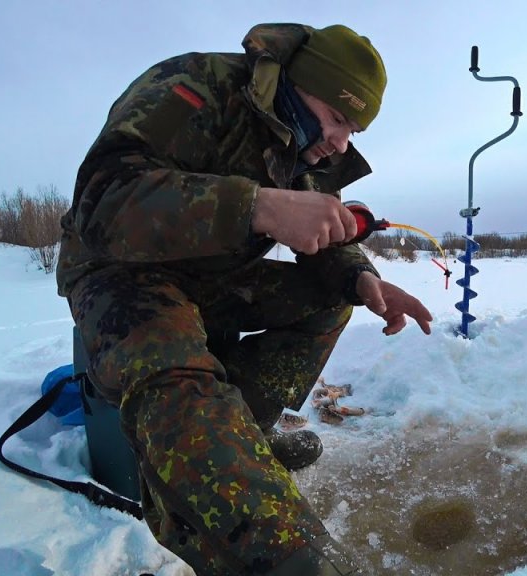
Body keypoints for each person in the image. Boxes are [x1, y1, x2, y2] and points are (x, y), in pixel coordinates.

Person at [56, 23, 433, 575]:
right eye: (336, 120)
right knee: (178, 376)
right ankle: (281, 550)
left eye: (353, 131)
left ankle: (243, 439)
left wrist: (360, 279)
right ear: (296, 85)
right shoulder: (192, 87)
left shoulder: (300, 148)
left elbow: (323, 232)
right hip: (120, 272)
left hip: (209, 281)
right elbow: (100, 204)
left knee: (329, 300)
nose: (341, 142)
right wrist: (255, 205)